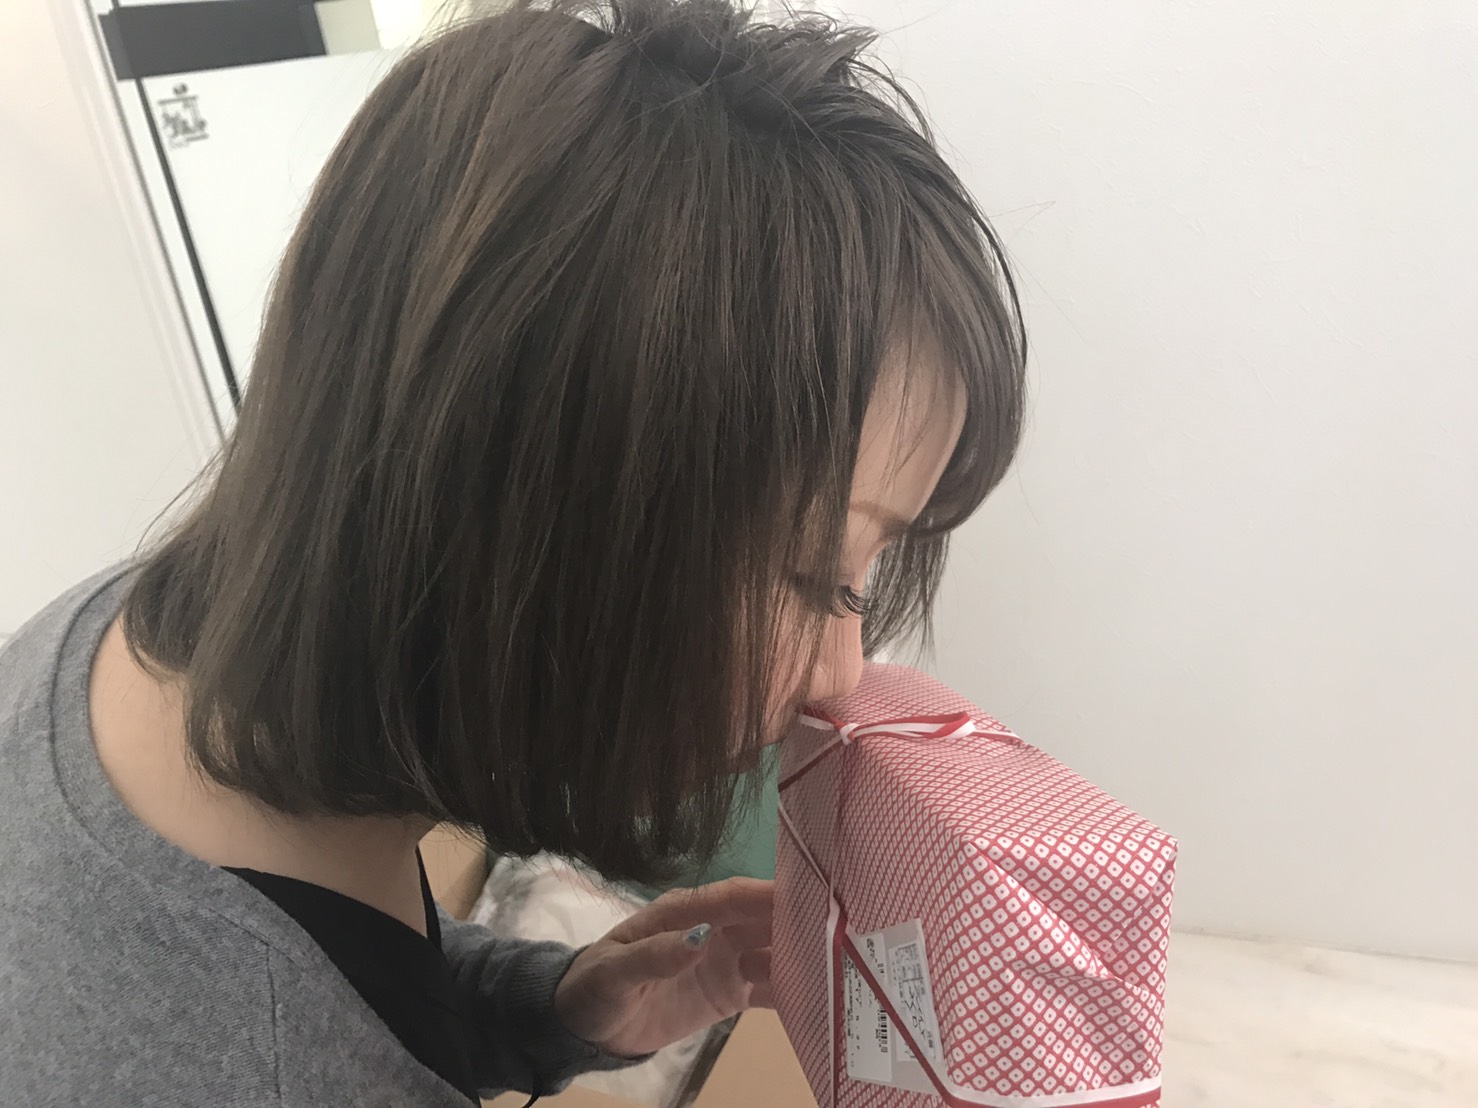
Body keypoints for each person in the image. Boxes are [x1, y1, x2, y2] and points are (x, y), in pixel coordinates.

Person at [0, 0, 1024, 1103]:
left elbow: (340, 972)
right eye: (819, 576)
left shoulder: (132, 637)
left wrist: (548, 1007)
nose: (840, 672)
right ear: (536, 518)